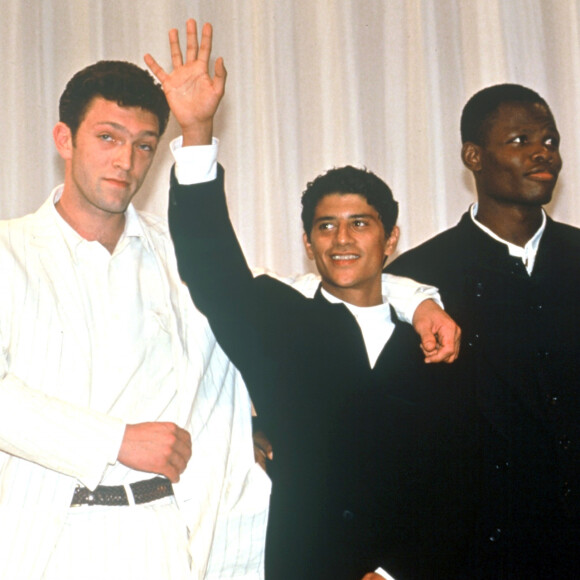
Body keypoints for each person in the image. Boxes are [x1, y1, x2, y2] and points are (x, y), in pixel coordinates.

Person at [146, 21, 476, 579]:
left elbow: (459, 481)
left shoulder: (437, 339)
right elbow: (211, 268)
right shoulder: (281, 323)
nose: (342, 240)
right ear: (307, 242)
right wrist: (197, 129)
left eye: (360, 224)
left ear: (391, 239)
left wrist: (397, 573)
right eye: (325, 227)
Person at [0, 44, 271, 580]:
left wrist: (414, 298)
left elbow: (276, 298)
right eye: (108, 138)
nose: (125, 162)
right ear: (64, 140)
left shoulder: (177, 255)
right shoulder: (9, 251)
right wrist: (116, 440)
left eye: (144, 146)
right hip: (42, 539)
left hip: (160, 537)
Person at [387, 83, 580, 578]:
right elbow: (391, 436)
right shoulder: (417, 279)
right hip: (473, 556)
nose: (544, 153)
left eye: (551, 141)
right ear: (473, 155)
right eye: (520, 140)